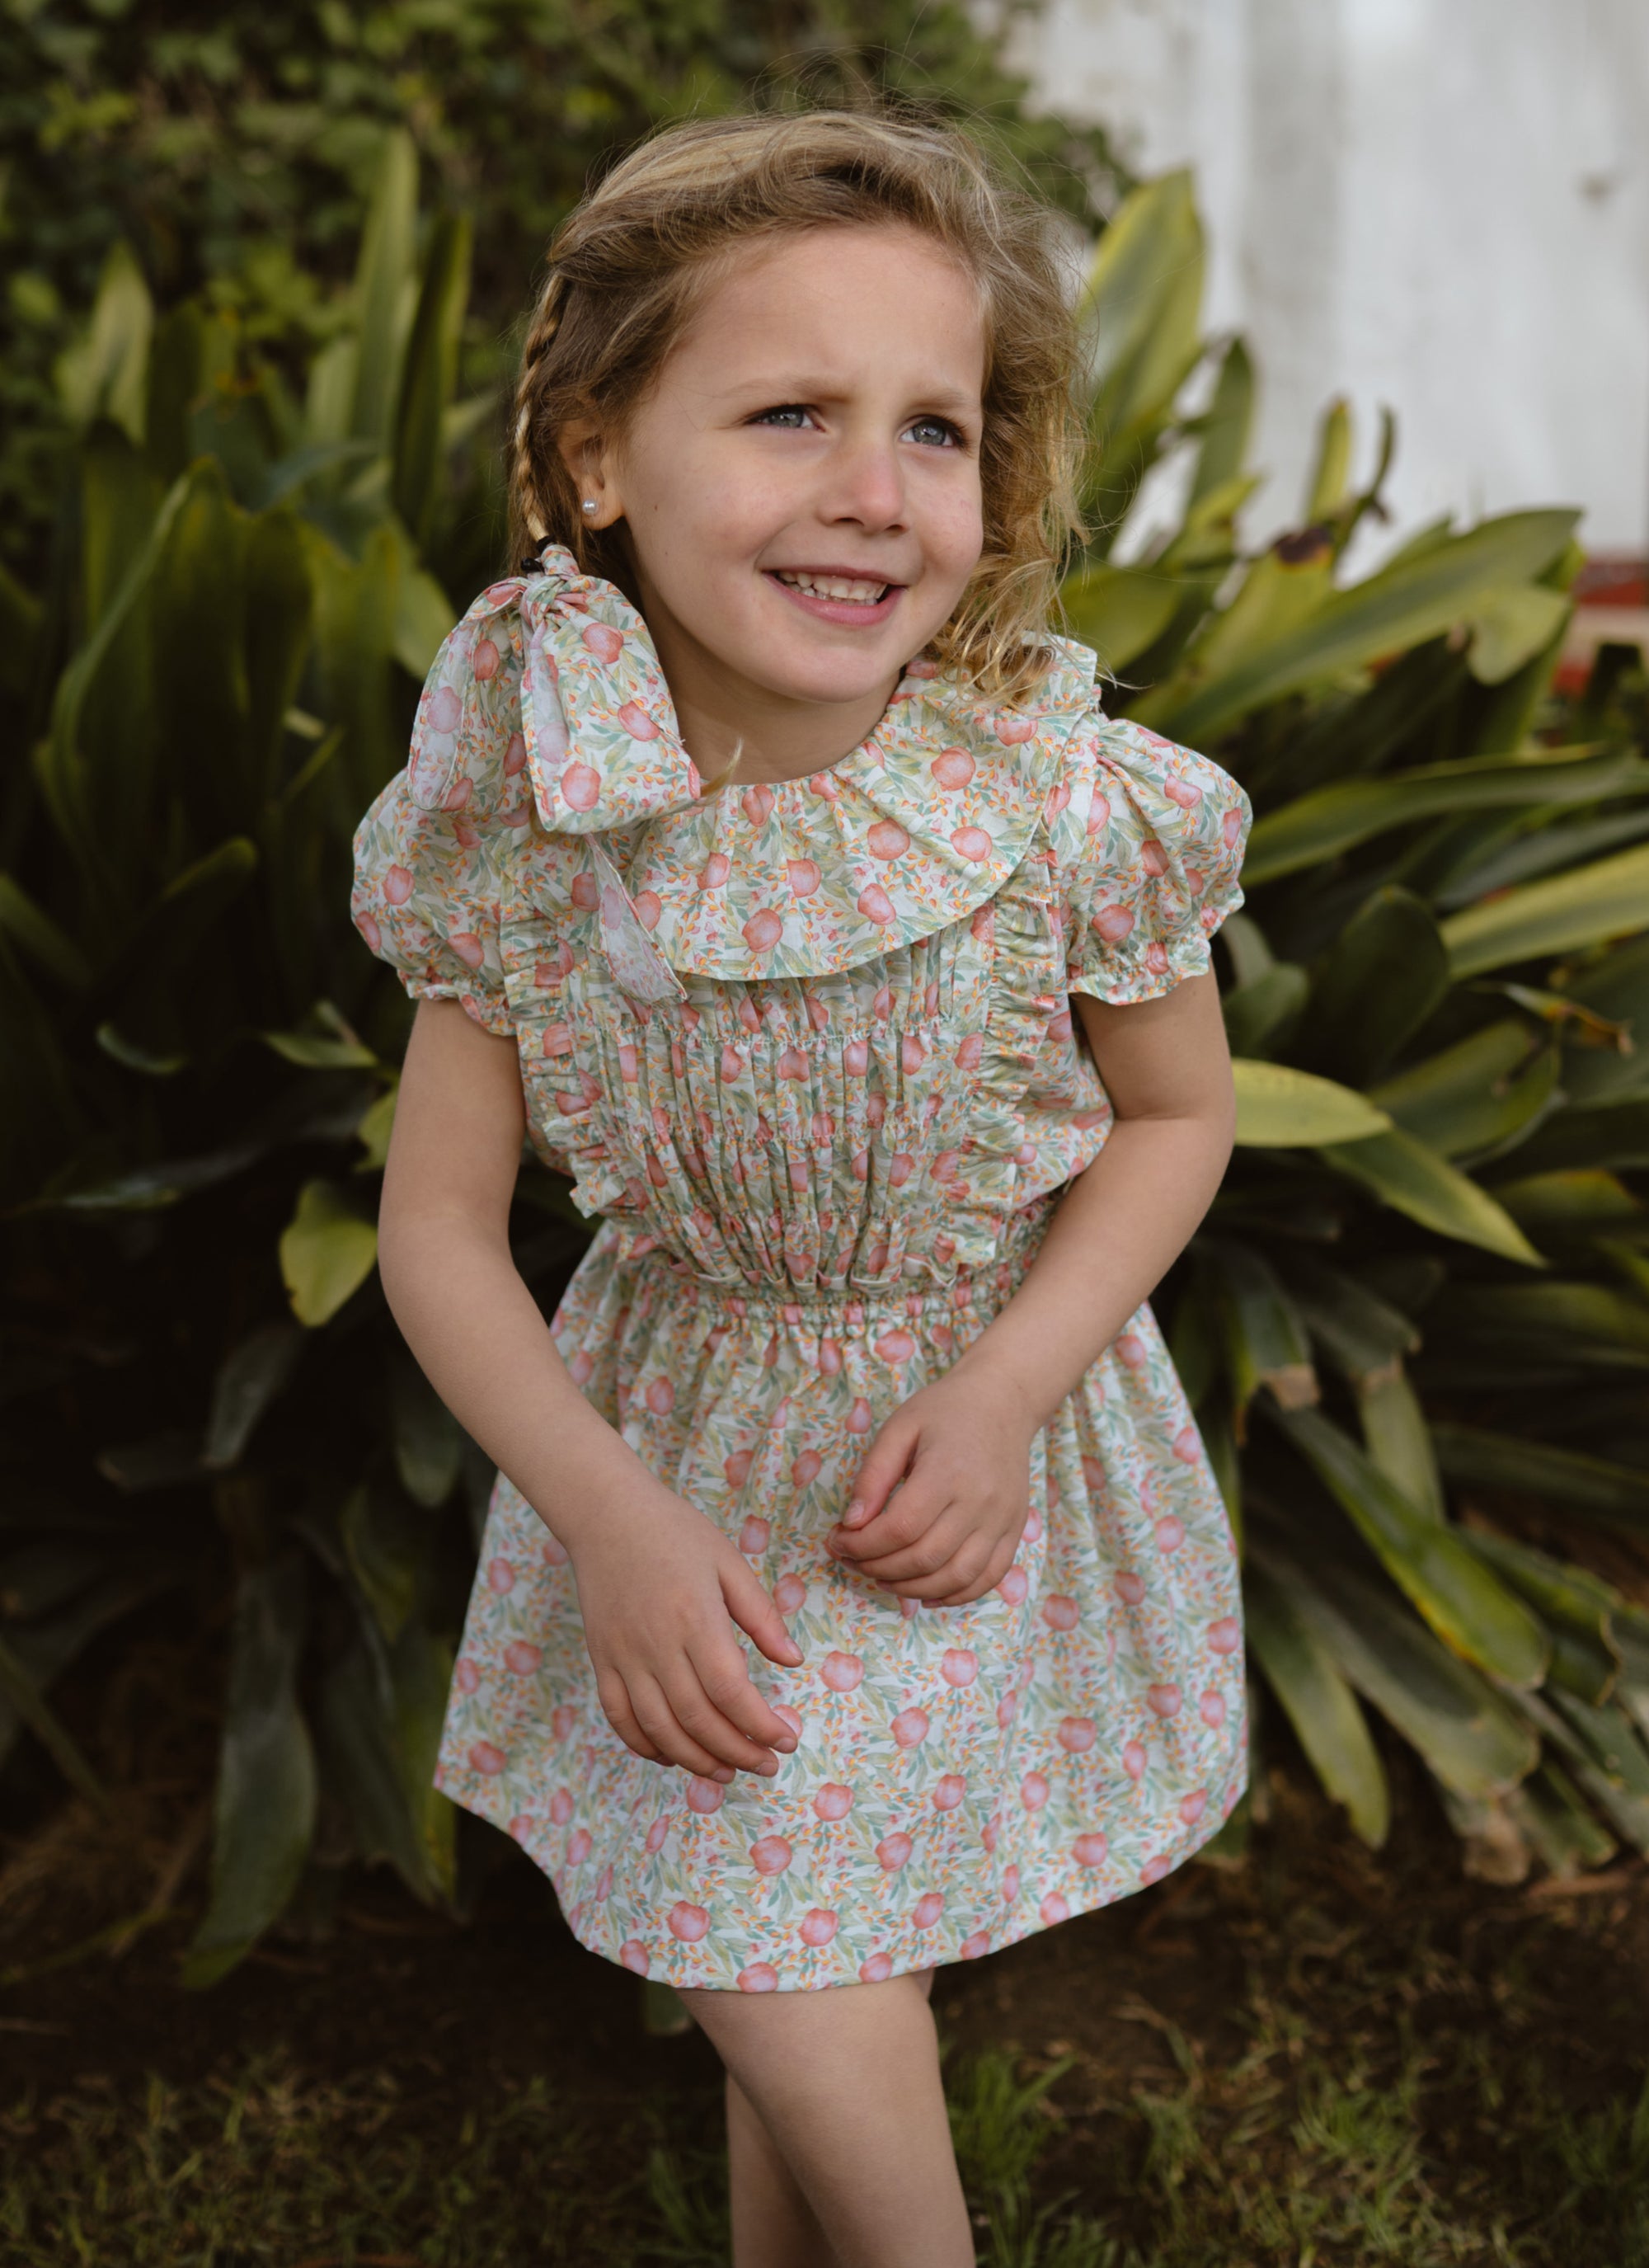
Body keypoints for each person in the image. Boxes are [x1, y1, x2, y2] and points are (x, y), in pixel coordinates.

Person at [352, 107, 1251, 2268]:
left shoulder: (1050, 803)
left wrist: (1012, 1388)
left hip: (955, 1463)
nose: (874, 488)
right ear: (595, 456)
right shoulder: (534, 817)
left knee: (787, 1943)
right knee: (792, 1939)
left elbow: (1178, 1119)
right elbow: (438, 1229)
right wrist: (608, 1517)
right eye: (790, 415)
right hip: (677, 1462)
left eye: (932, 428)